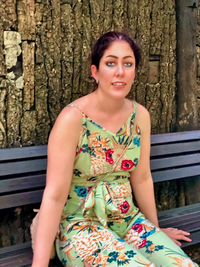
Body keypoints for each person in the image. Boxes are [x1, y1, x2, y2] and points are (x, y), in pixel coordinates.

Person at [32, 31, 198, 267]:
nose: (120, 72)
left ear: (134, 71)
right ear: (95, 72)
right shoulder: (72, 119)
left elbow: (141, 178)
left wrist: (156, 229)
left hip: (127, 220)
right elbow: (54, 195)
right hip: (80, 225)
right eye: (110, 63)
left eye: (127, 64)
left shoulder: (140, 116)